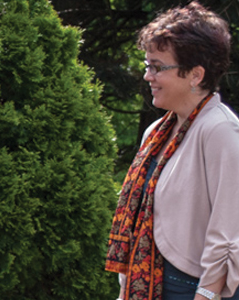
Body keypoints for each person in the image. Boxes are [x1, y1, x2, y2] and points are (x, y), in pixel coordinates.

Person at [105, 2, 239, 300]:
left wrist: (206, 294)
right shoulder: (156, 133)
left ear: (196, 74)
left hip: (194, 290)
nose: (147, 76)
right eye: (147, 65)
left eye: (158, 67)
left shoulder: (220, 131)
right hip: (153, 284)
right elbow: (139, 222)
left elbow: (230, 232)